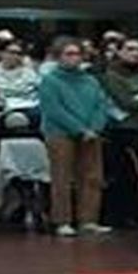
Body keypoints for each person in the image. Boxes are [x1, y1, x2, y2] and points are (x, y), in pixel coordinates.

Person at [37, 38, 113, 237]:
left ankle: (89, 220)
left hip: (91, 133)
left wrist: (95, 128)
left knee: (92, 177)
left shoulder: (90, 80)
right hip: (60, 133)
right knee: (62, 177)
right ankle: (62, 221)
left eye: (77, 54)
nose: (74, 58)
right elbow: (54, 110)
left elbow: (101, 105)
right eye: (68, 54)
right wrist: (79, 129)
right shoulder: (50, 81)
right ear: (58, 57)